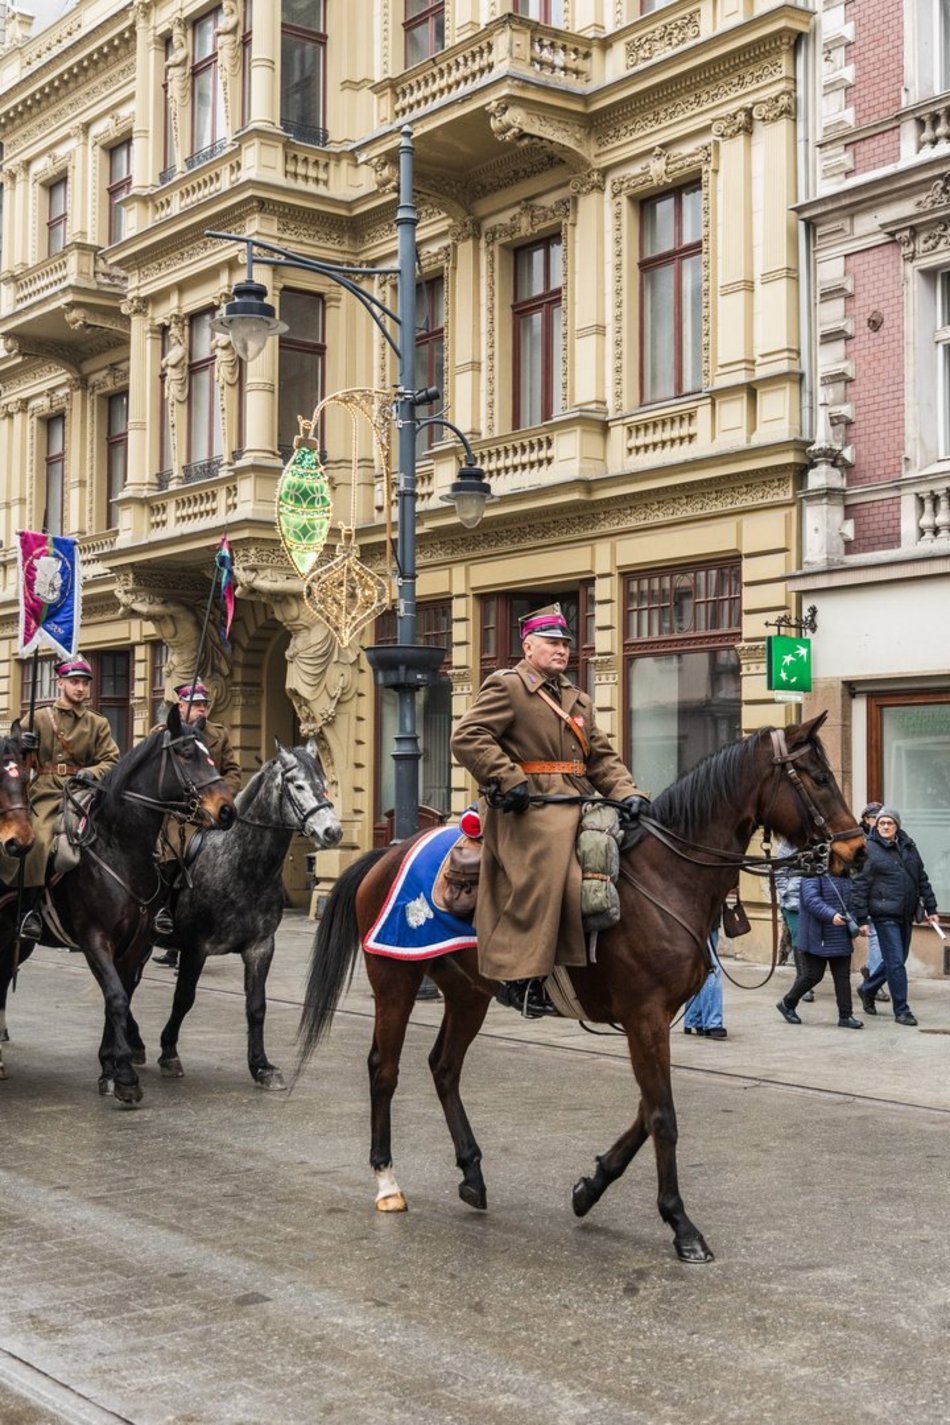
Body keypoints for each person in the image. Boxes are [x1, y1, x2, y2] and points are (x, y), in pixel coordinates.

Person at [450, 602, 648, 1017]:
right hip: (526, 807)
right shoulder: (508, 686)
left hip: (574, 798)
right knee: (555, 862)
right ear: (528, 647)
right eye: (553, 642)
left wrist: (628, 792)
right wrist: (509, 779)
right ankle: (523, 977)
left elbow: (603, 759)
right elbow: (468, 737)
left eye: (566, 643)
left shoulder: (579, 700)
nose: (562, 650)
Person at [12, 656, 120, 940]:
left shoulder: (97, 723)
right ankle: (29, 910)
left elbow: (111, 759)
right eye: (74, 682)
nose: (81, 688)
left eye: (85, 683)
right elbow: (12, 758)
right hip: (47, 790)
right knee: (38, 839)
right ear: (60, 683)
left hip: (84, 790)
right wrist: (24, 747)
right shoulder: (38, 718)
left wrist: (91, 771)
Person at [151, 681, 242, 963]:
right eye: (196, 704)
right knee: (172, 852)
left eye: (205, 704)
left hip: (210, 811)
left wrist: (222, 797)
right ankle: (163, 910)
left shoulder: (218, 735)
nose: (202, 708)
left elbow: (233, 771)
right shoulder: (164, 734)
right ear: (181, 706)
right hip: (177, 811)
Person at [852, 807, 940, 1027]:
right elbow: (859, 886)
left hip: (906, 913)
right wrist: (861, 919)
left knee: (896, 960)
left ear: (897, 826)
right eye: (881, 823)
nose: (884, 826)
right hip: (884, 914)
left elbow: (922, 879)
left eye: (889, 823)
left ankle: (868, 988)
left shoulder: (909, 846)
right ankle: (902, 1010)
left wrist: (932, 909)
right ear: (876, 825)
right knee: (896, 963)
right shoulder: (868, 849)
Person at [776, 867, 864, 1028]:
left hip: (840, 933)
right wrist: (830, 915)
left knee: (843, 977)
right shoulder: (812, 872)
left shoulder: (846, 874)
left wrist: (859, 923)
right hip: (817, 934)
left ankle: (846, 1016)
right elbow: (811, 900)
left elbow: (852, 903)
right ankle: (787, 1003)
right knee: (813, 975)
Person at [855, 802, 889, 1005]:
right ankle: (874, 983)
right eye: (874, 817)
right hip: (866, 897)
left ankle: (870, 971)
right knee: (876, 939)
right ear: (866, 820)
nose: (879, 821)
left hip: (884, 897)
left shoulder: (886, 839)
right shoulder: (861, 841)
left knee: (881, 942)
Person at [773, 836, 813, 1002]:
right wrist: (786, 894)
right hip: (793, 904)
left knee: (811, 941)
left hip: (813, 901)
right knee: (799, 940)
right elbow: (779, 872)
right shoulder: (788, 844)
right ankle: (803, 983)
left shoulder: (817, 843)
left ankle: (807, 980)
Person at [683, 919, 727, 1039]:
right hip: (702, 918)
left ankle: (693, 1019)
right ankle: (713, 1023)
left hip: (707, 919)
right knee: (712, 968)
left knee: (700, 967)